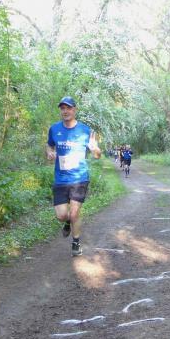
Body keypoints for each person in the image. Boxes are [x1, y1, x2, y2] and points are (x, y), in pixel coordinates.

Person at [46, 96, 101, 256]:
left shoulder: (85, 130)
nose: (65, 111)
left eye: (68, 108)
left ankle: (76, 243)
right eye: (63, 108)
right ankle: (67, 222)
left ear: (74, 110)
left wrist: (94, 149)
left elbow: (97, 155)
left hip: (79, 178)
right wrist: (49, 152)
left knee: (75, 212)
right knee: (62, 215)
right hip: (60, 179)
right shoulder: (54, 129)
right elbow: (49, 145)